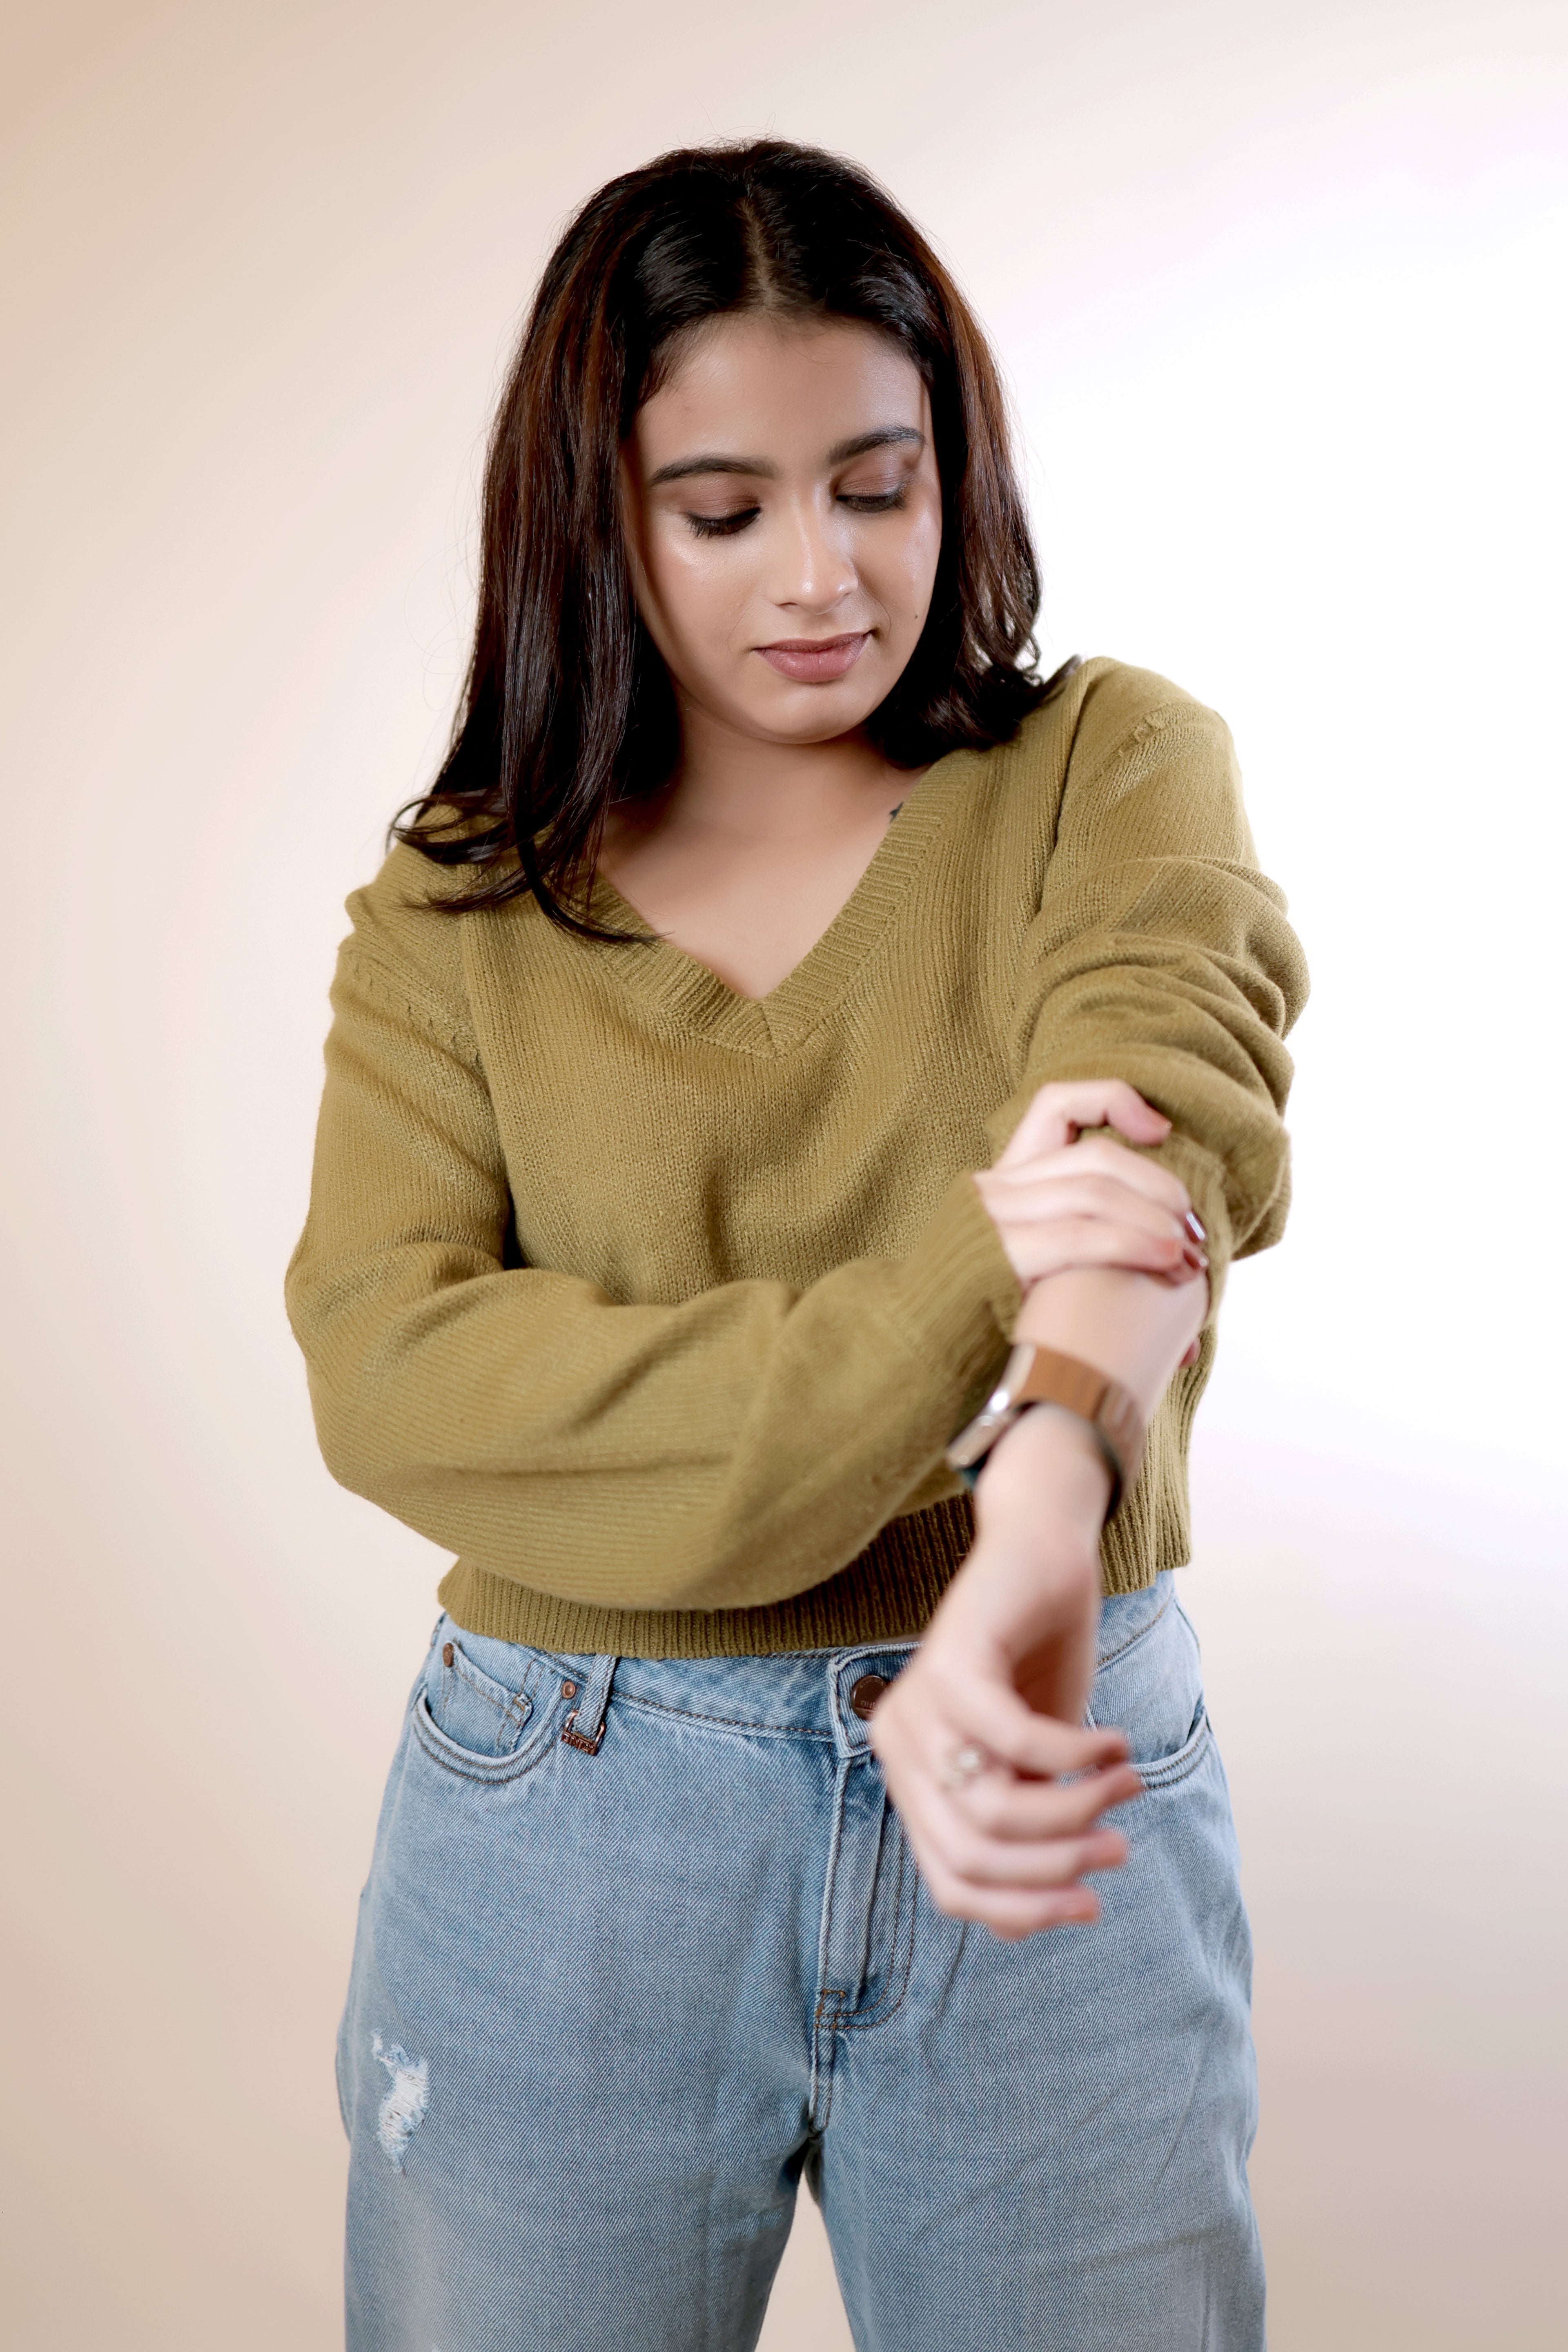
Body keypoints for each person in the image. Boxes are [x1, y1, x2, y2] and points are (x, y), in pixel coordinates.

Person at [287, 137, 1307, 2352]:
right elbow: (394, 1371)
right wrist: (969, 1275)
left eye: (881, 481)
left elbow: (1160, 1127)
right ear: (598, 517)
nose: (824, 574)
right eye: (724, 510)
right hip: (565, 1816)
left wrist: (1041, 1508)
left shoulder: (1105, 769)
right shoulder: (457, 913)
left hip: (1050, 1762)